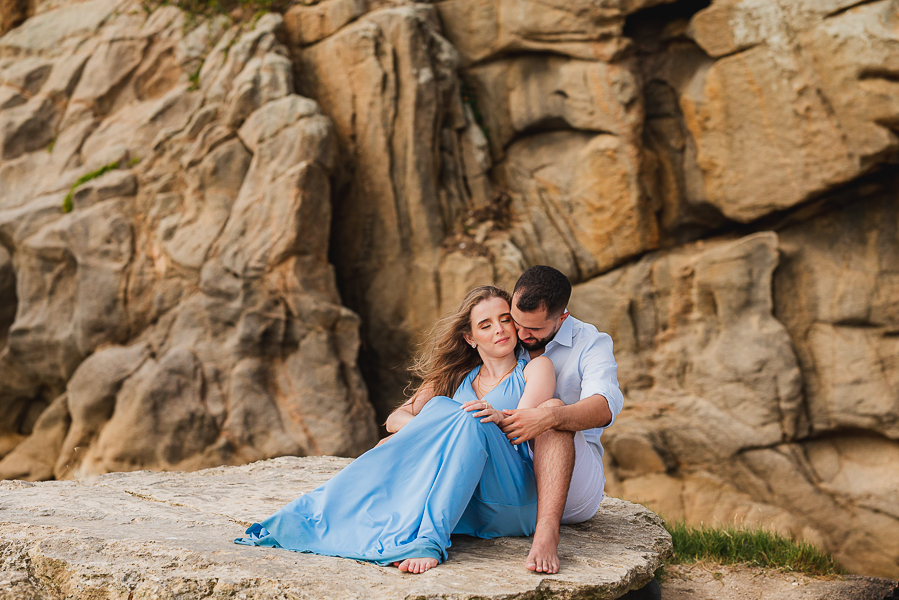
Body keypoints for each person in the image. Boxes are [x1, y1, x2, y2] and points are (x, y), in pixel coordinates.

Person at [234, 286, 557, 573]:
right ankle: (313, 511)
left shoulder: (535, 368)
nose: (499, 330)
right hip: (463, 500)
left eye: (504, 319)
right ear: (470, 338)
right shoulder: (456, 377)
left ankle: (430, 541)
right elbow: (395, 419)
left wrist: (489, 415)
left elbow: (522, 428)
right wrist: (440, 424)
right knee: (433, 416)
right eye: (485, 325)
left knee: (463, 416)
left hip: (511, 497)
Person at [500, 265, 624, 574]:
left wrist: (547, 417)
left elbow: (604, 407)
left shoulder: (591, 343)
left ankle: (546, 532)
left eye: (535, 329)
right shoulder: (501, 331)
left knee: (552, 411)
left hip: (570, 489)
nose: (521, 334)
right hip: (507, 479)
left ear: (562, 317)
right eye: (517, 322)